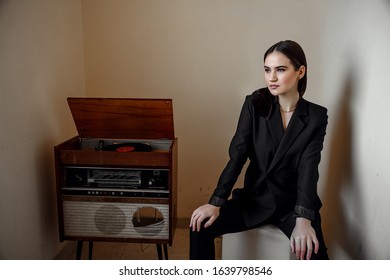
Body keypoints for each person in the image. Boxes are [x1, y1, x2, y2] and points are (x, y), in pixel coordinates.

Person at [189, 40, 329, 260]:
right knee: (200, 227)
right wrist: (216, 201)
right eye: (267, 70)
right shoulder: (255, 104)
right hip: (254, 201)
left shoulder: (316, 117)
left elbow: (308, 169)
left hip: (291, 206)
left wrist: (303, 219)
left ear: (300, 71)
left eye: (280, 70)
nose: (271, 78)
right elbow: (237, 156)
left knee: (316, 255)